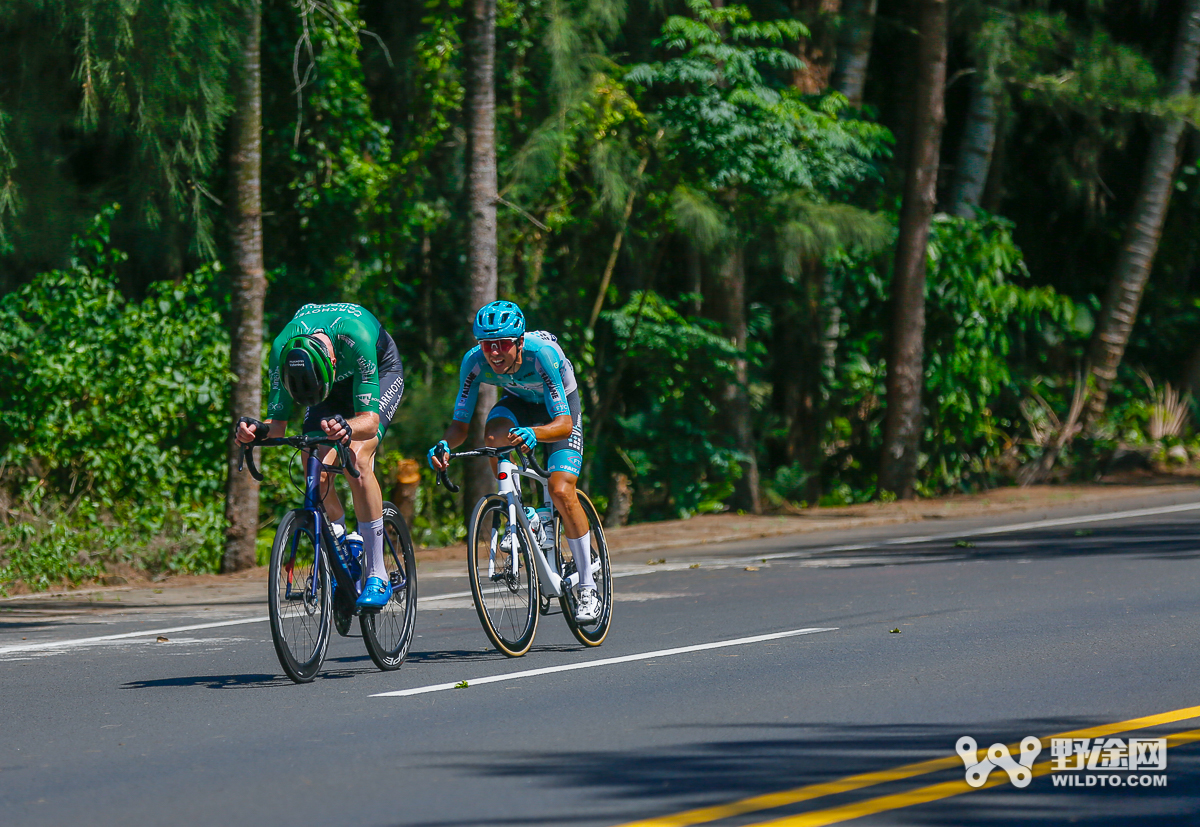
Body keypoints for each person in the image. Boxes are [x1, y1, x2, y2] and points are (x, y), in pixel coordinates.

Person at [427, 300, 599, 623]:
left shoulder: (541, 355)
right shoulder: (474, 363)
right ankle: (515, 515)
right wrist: (444, 445)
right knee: (493, 439)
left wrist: (535, 432)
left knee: (561, 489)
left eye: (503, 344)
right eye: (486, 344)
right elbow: (461, 426)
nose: (494, 353)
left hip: (559, 410)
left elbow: (563, 423)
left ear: (519, 342)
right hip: (518, 403)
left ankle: (588, 586)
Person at [235, 302, 404, 612]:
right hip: (329, 388)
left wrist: (347, 427)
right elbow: (277, 428)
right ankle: (339, 538)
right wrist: (253, 430)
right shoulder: (281, 351)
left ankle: (377, 572)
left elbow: (370, 421)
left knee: (357, 458)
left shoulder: (359, 338)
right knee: (312, 455)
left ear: (332, 361)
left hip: (379, 372)